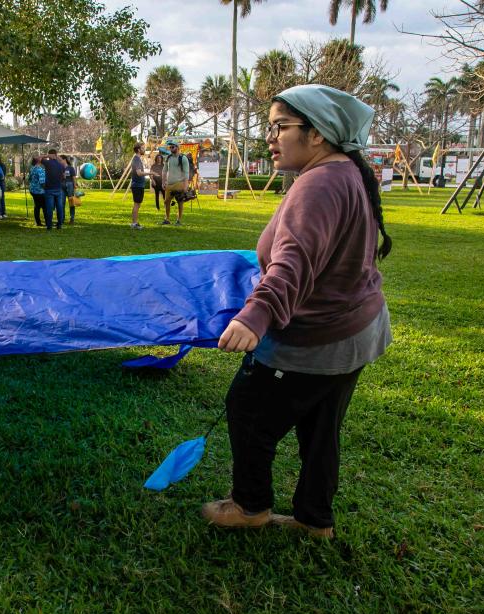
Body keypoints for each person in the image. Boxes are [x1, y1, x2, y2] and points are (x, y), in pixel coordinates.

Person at [201, 84, 393, 540]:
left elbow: (295, 260)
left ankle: (250, 507)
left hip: (320, 339)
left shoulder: (320, 183)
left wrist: (256, 314)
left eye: (281, 127)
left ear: (318, 134)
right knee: (320, 426)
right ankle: (314, 519)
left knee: (247, 410)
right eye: (270, 126)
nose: (270, 137)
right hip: (357, 329)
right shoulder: (345, 172)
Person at [162, 140, 190, 225]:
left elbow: (186, 173)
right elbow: (164, 170)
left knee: (180, 202)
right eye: (170, 147)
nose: (171, 148)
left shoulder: (183, 158)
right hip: (169, 184)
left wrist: (185, 185)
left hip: (179, 183)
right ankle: (167, 219)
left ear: (177, 147)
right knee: (166, 201)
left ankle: (179, 220)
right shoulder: (168, 157)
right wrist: (163, 181)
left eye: (172, 147)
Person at [40, 148, 67, 230]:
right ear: (56, 155)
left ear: (49, 155)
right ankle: (59, 225)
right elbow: (64, 176)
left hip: (49, 189)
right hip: (58, 188)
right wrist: (57, 157)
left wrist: (46, 155)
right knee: (60, 208)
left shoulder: (47, 163)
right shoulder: (61, 165)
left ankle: (49, 226)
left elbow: (38, 158)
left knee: (49, 208)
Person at [129, 143, 147, 229]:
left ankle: (134, 223)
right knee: (136, 204)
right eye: (143, 148)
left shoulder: (137, 159)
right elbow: (139, 173)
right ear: (139, 150)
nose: (144, 149)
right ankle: (134, 223)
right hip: (137, 186)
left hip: (139, 185)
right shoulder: (136, 159)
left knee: (137, 204)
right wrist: (150, 173)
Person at [28, 155, 46, 226]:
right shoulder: (40, 169)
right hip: (40, 191)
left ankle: (38, 222)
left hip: (33, 190)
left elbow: (29, 179)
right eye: (40, 158)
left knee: (37, 206)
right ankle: (47, 221)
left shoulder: (32, 169)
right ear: (39, 161)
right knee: (44, 206)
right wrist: (45, 189)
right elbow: (42, 182)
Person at [61, 155, 77, 224]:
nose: (59, 161)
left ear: (64, 160)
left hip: (70, 185)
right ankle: (62, 218)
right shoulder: (60, 168)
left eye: (60, 160)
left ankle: (72, 218)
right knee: (61, 203)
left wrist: (75, 186)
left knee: (71, 202)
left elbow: (73, 177)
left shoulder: (70, 168)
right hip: (61, 186)